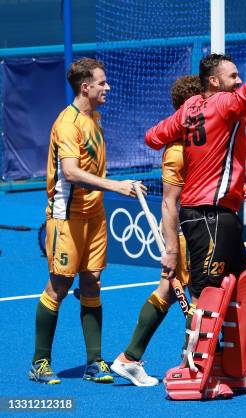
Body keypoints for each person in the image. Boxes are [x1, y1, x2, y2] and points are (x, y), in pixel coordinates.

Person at [145, 19, 246, 399]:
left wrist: (181, 137)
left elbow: (153, 136)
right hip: (206, 214)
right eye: (232, 76)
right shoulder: (226, 105)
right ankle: (195, 373)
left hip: (220, 212)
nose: (238, 82)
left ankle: (234, 368)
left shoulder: (194, 105)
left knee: (240, 286)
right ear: (214, 82)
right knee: (207, 294)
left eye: (238, 76)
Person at [29, 58, 146, 384]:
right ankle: (40, 362)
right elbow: (70, 172)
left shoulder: (94, 118)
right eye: (102, 82)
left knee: (93, 280)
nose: (107, 87)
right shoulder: (67, 124)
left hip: (95, 216)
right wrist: (116, 186)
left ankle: (94, 362)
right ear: (86, 87)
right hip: (67, 216)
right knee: (59, 285)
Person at [111, 75, 203, 386]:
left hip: (195, 228)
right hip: (185, 234)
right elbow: (169, 204)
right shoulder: (177, 150)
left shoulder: (198, 140)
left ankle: (130, 358)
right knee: (197, 300)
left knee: (166, 291)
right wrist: (172, 247)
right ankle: (191, 366)